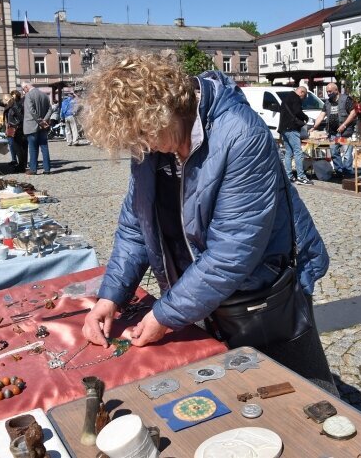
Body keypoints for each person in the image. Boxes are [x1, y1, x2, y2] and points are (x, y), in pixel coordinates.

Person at [80, 50, 338, 394]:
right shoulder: (152, 145)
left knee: (302, 391)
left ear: (164, 111)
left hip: (264, 292)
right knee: (234, 394)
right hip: (201, 295)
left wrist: (164, 315)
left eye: (143, 134)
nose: (141, 147)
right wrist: (110, 297)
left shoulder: (241, 134)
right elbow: (135, 227)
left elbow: (232, 252)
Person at [314, 83, 356, 178]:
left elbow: (353, 114)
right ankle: (339, 171)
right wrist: (314, 126)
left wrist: (344, 125)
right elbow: (321, 115)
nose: (328, 93)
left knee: (347, 154)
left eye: (330, 91)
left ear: (336, 90)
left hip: (345, 133)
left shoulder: (346, 99)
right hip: (333, 133)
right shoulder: (328, 102)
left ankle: (348, 172)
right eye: (327, 92)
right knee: (334, 152)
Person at [279, 86, 313, 185]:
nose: (304, 98)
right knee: (298, 152)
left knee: (289, 153)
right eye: (304, 95)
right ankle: (301, 177)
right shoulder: (295, 98)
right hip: (292, 128)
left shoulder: (286, 97)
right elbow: (298, 111)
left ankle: (289, 176)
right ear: (301, 92)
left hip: (284, 129)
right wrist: (305, 117)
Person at [22, 82, 54, 175]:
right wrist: (45, 120)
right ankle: (47, 169)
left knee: (33, 149)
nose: (23, 91)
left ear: (27, 87)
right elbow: (50, 109)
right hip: (43, 127)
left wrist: (40, 121)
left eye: (23, 89)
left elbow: (32, 111)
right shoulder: (44, 95)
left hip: (32, 125)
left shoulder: (28, 95)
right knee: (44, 148)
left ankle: (33, 169)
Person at [3, 90, 27, 172]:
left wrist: (16, 125)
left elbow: (21, 117)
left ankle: (21, 166)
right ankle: (21, 165)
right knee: (18, 148)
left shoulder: (15, 106)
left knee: (19, 148)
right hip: (16, 128)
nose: (5, 103)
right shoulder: (12, 106)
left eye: (6, 101)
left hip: (17, 129)